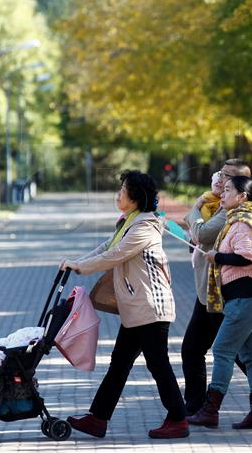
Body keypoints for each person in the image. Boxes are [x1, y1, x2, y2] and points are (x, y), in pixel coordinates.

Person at [60, 170, 189, 439]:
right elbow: (106, 247)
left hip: (151, 308)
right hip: (138, 309)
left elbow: (114, 256)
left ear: (135, 198)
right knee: (119, 364)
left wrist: (81, 267)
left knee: (158, 364)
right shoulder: (130, 222)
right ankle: (98, 418)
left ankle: (178, 418)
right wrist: (76, 263)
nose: (118, 194)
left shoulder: (144, 227)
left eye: (122, 190)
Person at [181, 159, 252, 420]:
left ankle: (206, 408)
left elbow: (205, 235)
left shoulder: (237, 215)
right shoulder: (225, 207)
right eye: (221, 175)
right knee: (242, 352)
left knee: (220, 350)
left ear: (243, 190)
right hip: (218, 290)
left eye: (229, 179)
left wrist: (196, 213)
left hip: (227, 292)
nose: (221, 181)